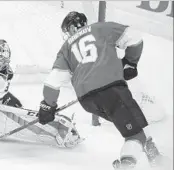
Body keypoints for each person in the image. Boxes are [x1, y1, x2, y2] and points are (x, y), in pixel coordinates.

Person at [37, 11, 162, 169]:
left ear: (71, 28)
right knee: (134, 134)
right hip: (112, 90)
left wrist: (48, 106)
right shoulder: (101, 28)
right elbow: (135, 37)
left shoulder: (66, 48)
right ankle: (126, 164)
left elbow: (52, 82)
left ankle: (154, 156)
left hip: (88, 101)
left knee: (134, 118)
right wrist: (130, 62)